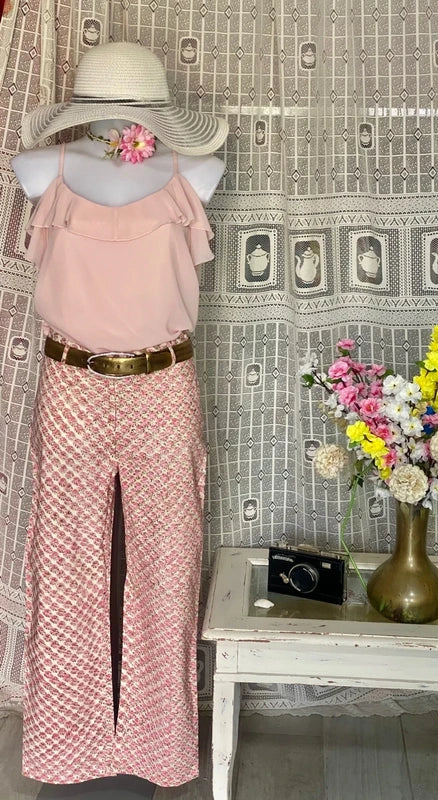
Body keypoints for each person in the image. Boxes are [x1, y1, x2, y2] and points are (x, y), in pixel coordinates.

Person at [12, 40, 228, 788]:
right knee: (65, 558)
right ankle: (64, 748)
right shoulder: (42, 169)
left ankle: (158, 747)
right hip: (71, 381)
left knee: (166, 559)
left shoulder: (192, 174)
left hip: (163, 383)